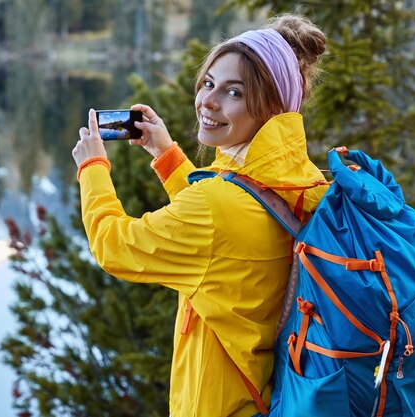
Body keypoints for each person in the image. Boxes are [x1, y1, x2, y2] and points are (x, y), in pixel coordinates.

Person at [72, 14, 329, 417]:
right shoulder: (302, 180)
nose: (208, 101)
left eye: (234, 93)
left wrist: (92, 169)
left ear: (272, 106)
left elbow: (114, 247)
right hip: (270, 395)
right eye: (208, 83)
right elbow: (231, 227)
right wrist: (167, 155)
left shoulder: (217, 206)